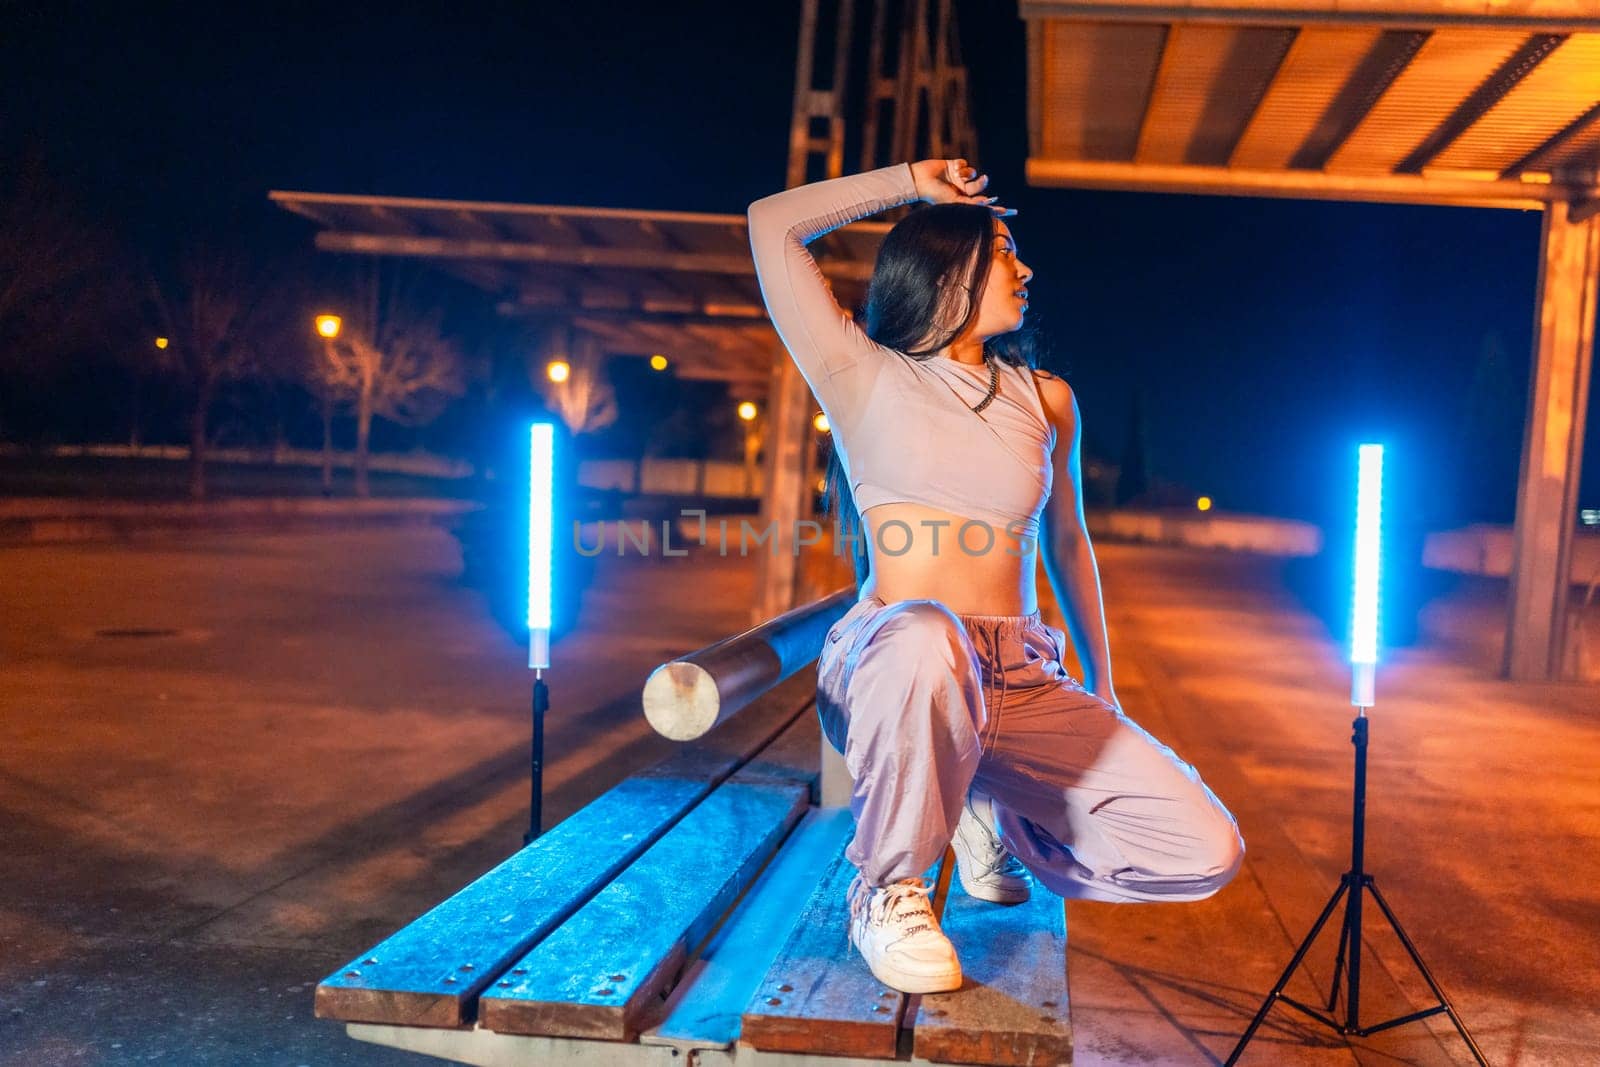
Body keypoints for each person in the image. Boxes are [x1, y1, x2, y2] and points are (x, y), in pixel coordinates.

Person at [746, 159, 1245, 994]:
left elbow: (1069, 545)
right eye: (1005, 251)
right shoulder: (862, 373)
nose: (1025, 270)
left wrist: (1104, 686)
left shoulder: (1046, 398)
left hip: (1018, 675)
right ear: (949, 266)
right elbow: (770, 223)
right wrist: (913, 182)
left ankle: (991, 801)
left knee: (1207, 849)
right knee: (928, 633)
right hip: (892, 658)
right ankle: (887, 886)